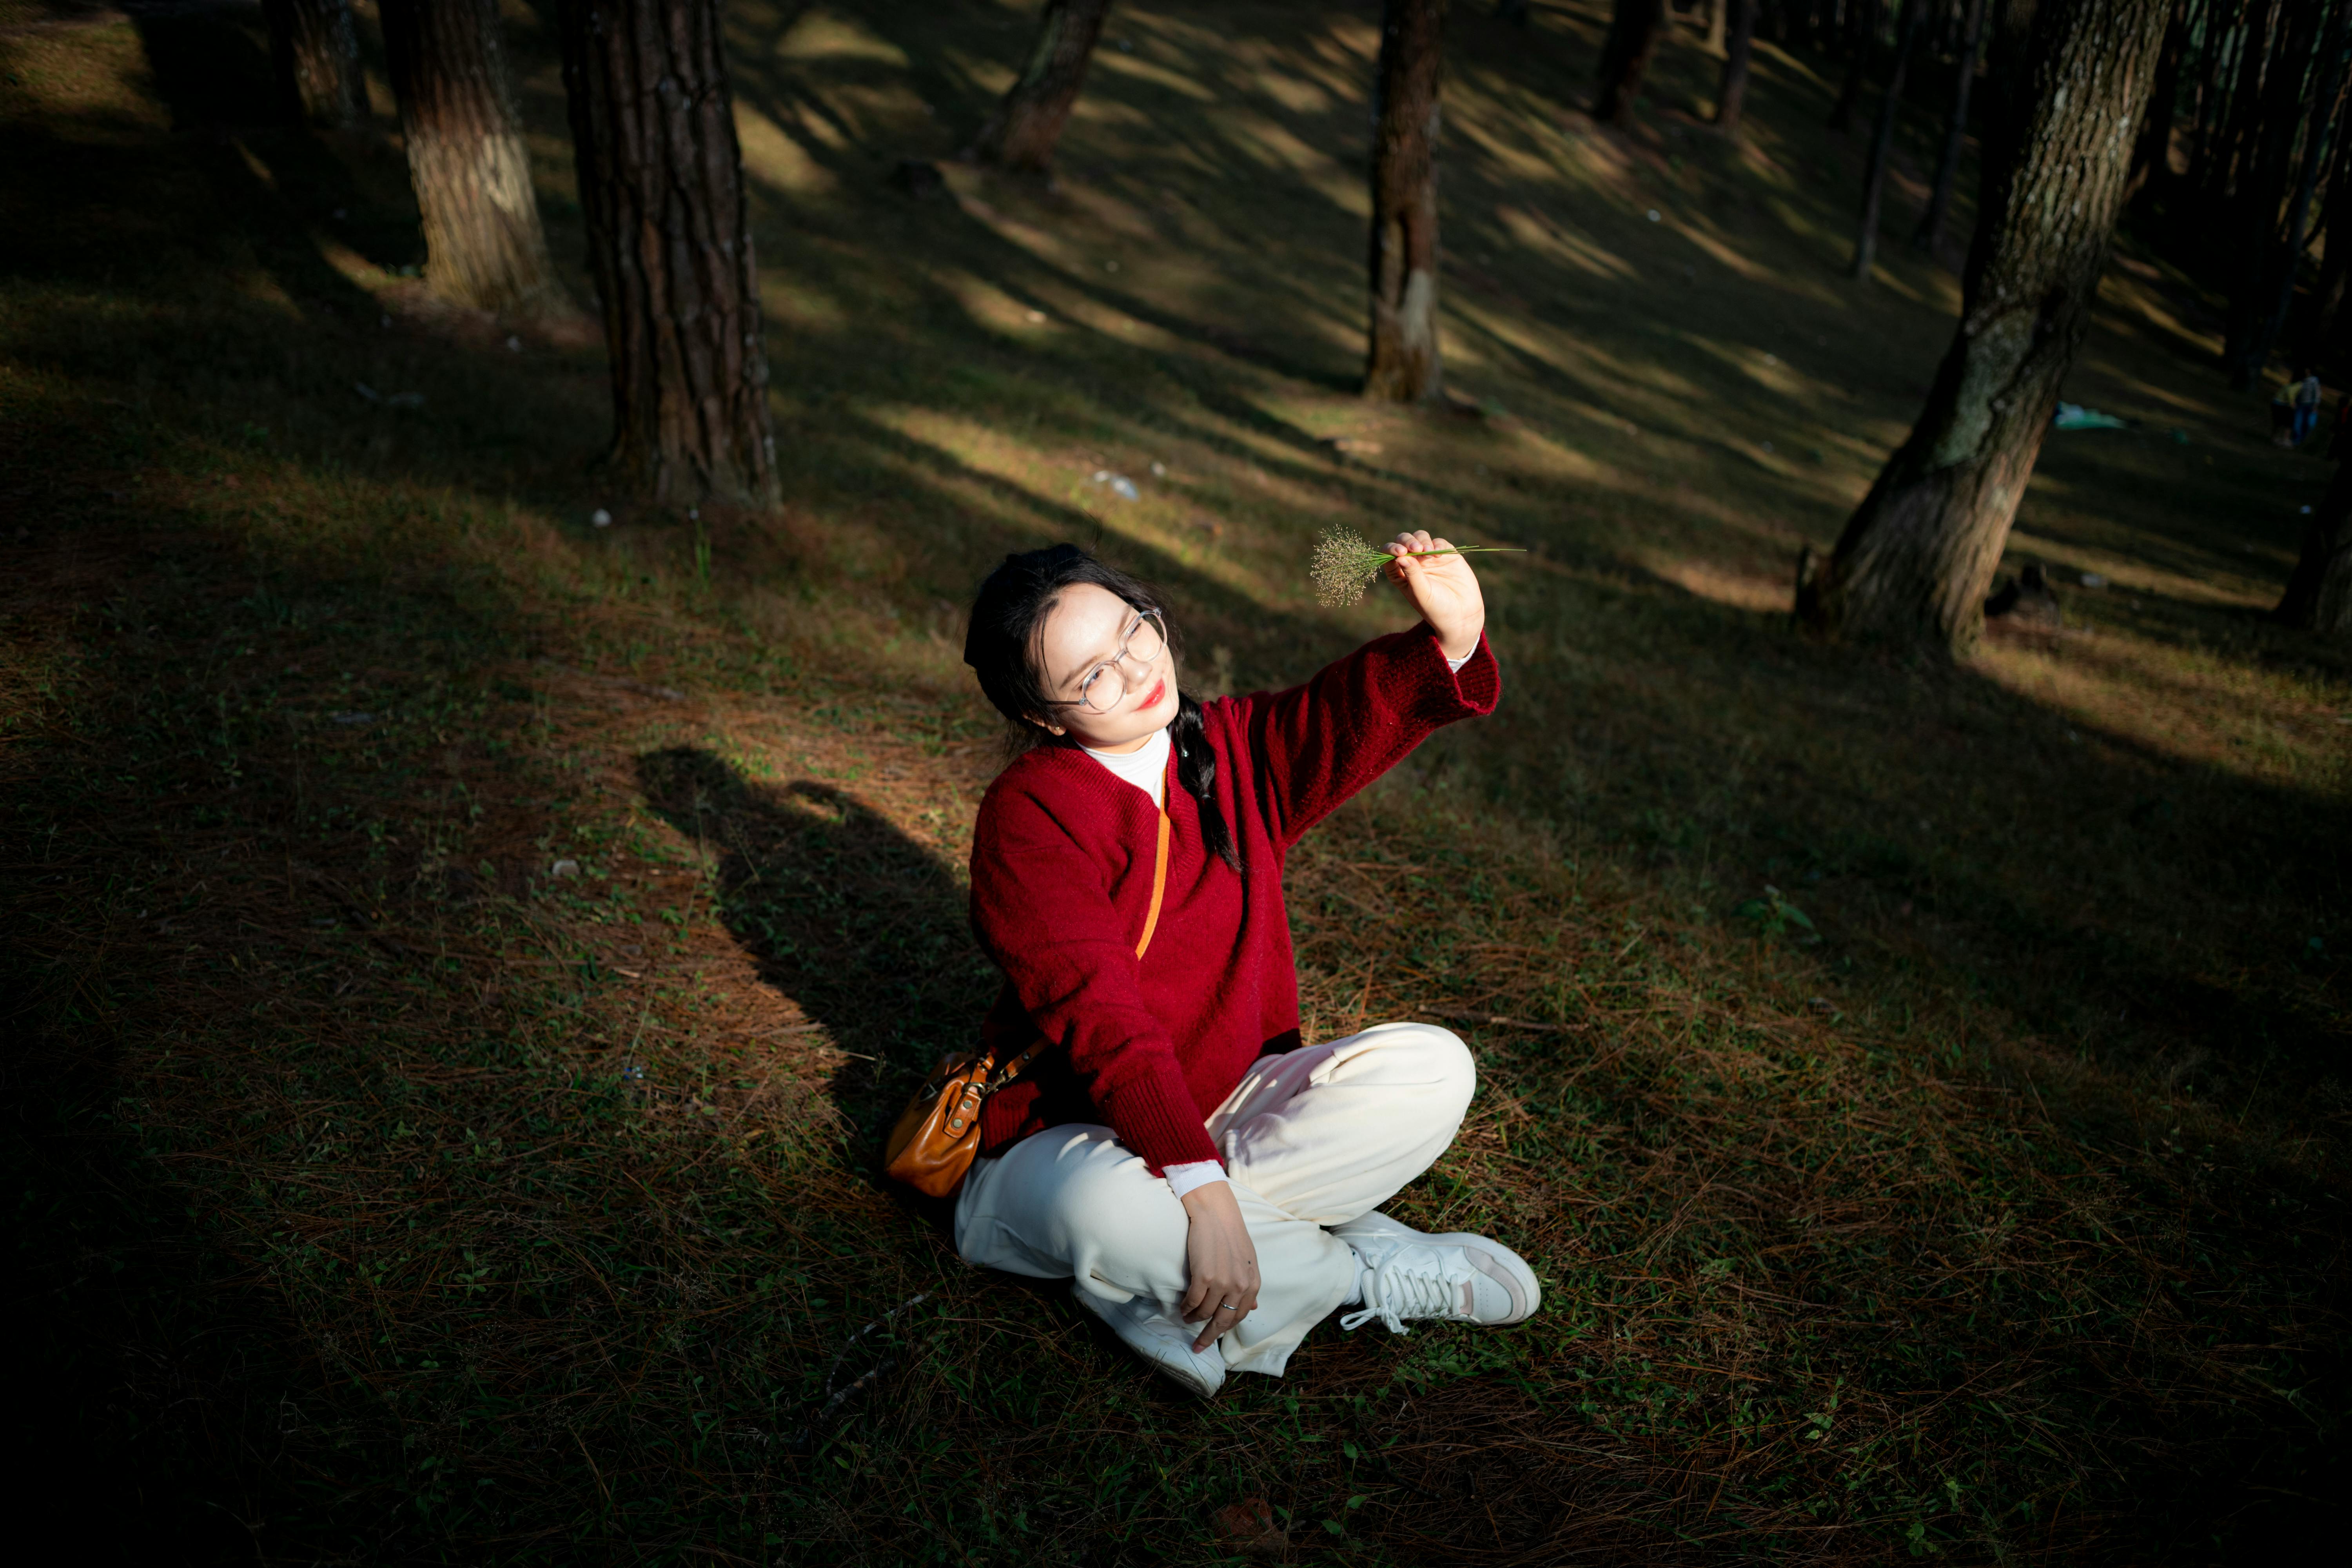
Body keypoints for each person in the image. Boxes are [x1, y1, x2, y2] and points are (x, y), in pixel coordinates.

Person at [951, 535, 1539, 1396]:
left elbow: (1346, 713)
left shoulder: (1224, 744)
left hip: (1226, 1103)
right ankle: (1356, 1271)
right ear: (1043, 714)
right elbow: (1098, 1012)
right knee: (1105, 1208)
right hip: (1067, 1142)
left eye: (1132, 628)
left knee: (1433, 1069)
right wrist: (1200, 1191)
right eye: (1092, 677)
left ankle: (1169, 1288)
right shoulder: (1029, 816)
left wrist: (1453, 638)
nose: (1135, 667)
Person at [2293, 368, 2325, 448]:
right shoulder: (2302, 380)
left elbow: (2317, 393)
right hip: (2301, 404)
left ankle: (2301, 439)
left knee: (2309, 424)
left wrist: (2315, 405)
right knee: (2298, 422)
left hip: (2310, 405)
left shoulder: (2314, 380)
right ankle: (2296, 440)